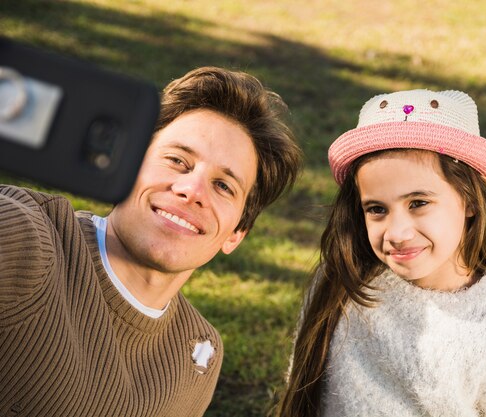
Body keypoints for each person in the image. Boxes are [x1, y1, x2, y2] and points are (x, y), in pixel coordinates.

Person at [0, 66, 302, 417]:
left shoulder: (199, 353)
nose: (192, 191)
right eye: (177, 161)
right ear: (125, 165)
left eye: (224, 186)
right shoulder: (28, 239)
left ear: (236, 234)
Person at [278, 89, 486, 417]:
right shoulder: (342, 282)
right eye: (377, 209)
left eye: (418, 203)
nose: (397, 233)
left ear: (471, 201)